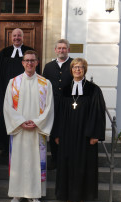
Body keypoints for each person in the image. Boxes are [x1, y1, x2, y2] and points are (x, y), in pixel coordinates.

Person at [53, 58, 106, 202]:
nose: (77, 69)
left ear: (85, 70)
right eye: (75, 67)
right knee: (67, 164)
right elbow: (59, 113)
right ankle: (68, 196)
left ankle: (80, 197)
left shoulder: (93, 89)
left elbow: (98, 113)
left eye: (80, 67)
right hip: (67, 135)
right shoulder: (64, 89)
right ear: (71, 70)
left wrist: (95, 135)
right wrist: (57, 134)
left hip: (85, 136)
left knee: (83, 165)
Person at [3, 50, 54, 202]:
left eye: (33, 60)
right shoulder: (14, 82)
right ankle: (17, 194)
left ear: (37, 62)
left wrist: (37, 122)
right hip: (19, 130)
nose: (30, 63)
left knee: (35, 162)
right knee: (18, 162)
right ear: (22, 63)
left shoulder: (46, 83)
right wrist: (20, 122)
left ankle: (34, 195)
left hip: (37, 131)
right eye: (27, 60)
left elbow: (49, 107)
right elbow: (8, 105)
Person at [0, 28, 38, 153]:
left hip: (27, 96)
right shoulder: (4, 53)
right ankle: (5, 149)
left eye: (19, 36)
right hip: (7, 95)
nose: (16, 38)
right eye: (14, 36)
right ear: (11, 37)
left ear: (23, 37)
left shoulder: (30, 52)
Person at [42, 39, 73, 170]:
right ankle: (55, 159)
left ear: (68, 50)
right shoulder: (48, 66)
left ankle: (67, 159)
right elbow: (43, 86)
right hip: (52, 104)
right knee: (54, 132)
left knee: (68, 132)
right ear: (55, 50)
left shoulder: (74, 64)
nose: (61, 50)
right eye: (59, 48)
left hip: (69, 105)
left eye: (64, 48)